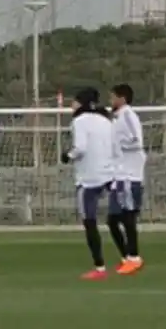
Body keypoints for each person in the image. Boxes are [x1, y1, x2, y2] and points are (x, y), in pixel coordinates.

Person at [60, 87, 119, 280]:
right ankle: (129, 256)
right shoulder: (106, 120)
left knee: (90, 222)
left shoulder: (79, 121)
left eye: (75, 101)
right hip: (110, 174)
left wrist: (68, 156)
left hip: (88, 179)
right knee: (118, 217)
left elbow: (80, 148)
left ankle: (99, 266)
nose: (72, 105)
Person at [108, 83, 145, 275]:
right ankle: (126, 257)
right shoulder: (117, 118)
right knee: (113, 218)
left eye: (113, 97)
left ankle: (134, 257)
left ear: (122, 98)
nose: (111, 101)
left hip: (130, 176)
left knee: (127, 216)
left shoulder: (128, 115)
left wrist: (119, 146)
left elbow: (136, 141)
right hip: (119, 176)